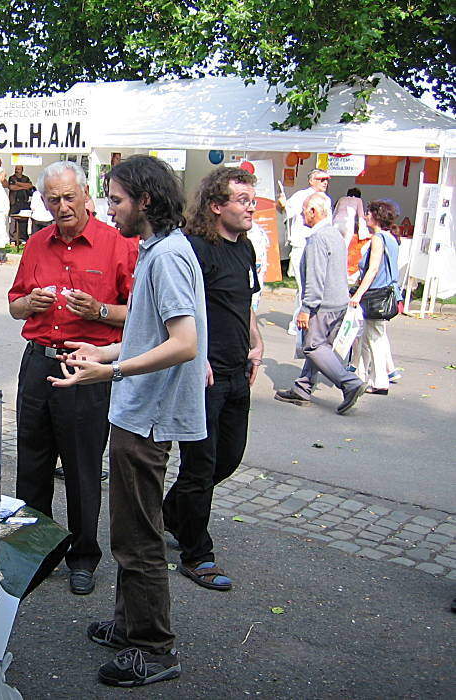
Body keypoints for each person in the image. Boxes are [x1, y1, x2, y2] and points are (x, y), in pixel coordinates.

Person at [49, 155, 206, 687]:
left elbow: (184, 344)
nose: (109, 208)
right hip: (138, 411)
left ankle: (153, 649)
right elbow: (147, 336)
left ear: (145, 200)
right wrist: (102, 352)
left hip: (148, 417)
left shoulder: (167, 257)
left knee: (138, 537)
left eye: (116, 199)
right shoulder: (158, 250)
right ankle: (129, 626)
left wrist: (110, 372)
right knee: (128, 530)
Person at [7, 160, 137, 596]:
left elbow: (140, 313)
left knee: (82, 469)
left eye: (68, 198)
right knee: (32, 466)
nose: (61, 207)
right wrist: (30, 304)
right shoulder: (36, 244)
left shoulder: (116, 244)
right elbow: (14, 305)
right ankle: (32, 555)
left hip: (87, 367)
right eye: (52, 200)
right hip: (38, 363)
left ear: (85, 196)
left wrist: (99, 311)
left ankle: (82, 557)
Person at [162, 167, 264, 592]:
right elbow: (181, 308)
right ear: (216, 205)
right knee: (200, 468)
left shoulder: (246, 247)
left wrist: (256, 341)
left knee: (228, 459)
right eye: (242, 200)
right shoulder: (196, 248)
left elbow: (245, 301)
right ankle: (197, 554)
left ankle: (170, 513)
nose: (251, 207)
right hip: (204, 377)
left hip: (237, 371)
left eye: (252, 199)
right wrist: (197, 356)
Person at [275, 193, 366, 414]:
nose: (302, 215)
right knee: (320, 346)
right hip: (338, 302)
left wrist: (307, 308)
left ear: (313, 211)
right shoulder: (334, 233)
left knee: (313, 346)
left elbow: (315, 277)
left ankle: (349, 383)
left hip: (323, 304)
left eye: (304, 211)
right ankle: (303, 388)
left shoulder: (318, 238)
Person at [349, 200, 400, 395]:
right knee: (375, 336)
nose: (365, 216)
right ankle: (370, 376)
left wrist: (358, 294)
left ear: (377, 216)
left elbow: (373, 269)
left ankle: (380, 381)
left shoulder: (378, 238)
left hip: (376, 293)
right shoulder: (391, 238)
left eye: (368, 213)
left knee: (374, 338)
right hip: (388, 292)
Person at [277, 169, 332, 334]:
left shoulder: (326, 200)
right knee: (304, 287)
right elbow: (285, 210)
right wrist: (281, 203)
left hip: (319, 247)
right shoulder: (301, 196)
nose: (325, 182)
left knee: (312, 287)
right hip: (302, 245)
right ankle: (298, 323)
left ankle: (302, 321)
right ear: (311, 181)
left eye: (326, 179)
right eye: (321, 179)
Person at [8, 165, 34, 244]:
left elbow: (30, 186)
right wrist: (23, 186)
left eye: (18, 169)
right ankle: (13, 239)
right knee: (13, 221)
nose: (16, 170)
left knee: (24, 221)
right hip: (14, 202)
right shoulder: (12, 178)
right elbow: (12, 187)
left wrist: (18, 184)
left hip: (24, 202)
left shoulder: (26, 178)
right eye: (16, 169)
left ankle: (23, 238)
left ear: (22, 170)